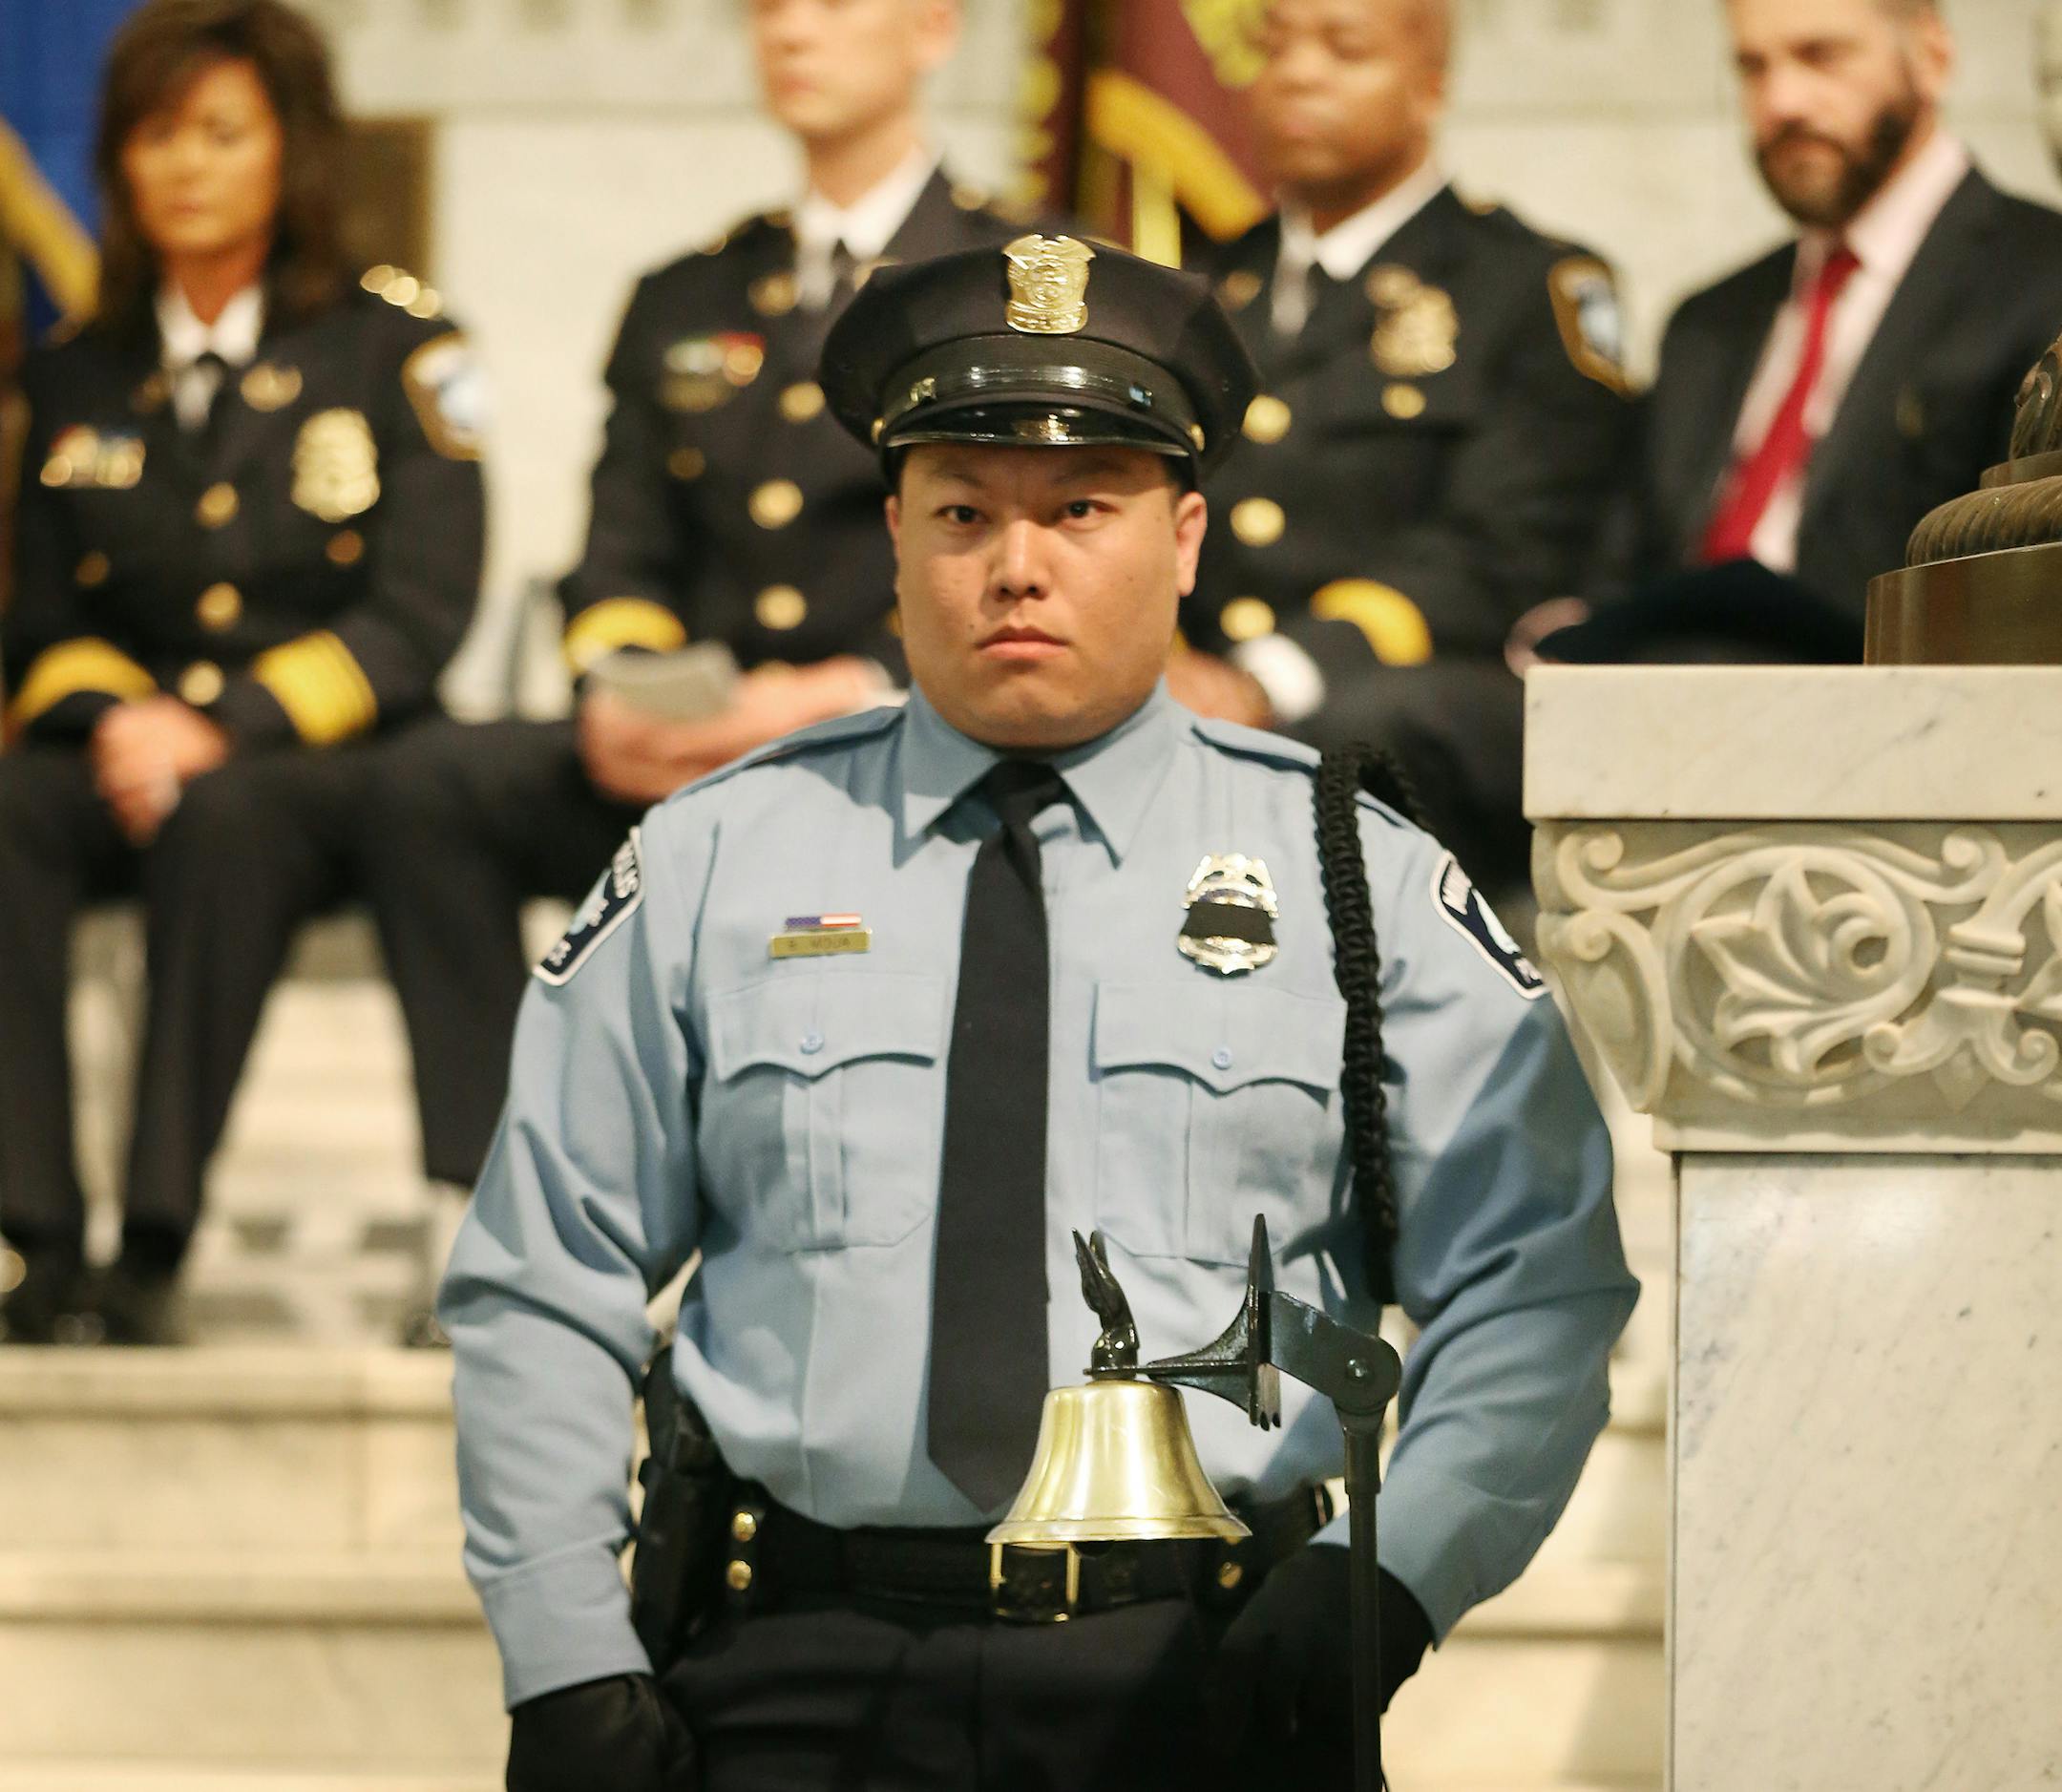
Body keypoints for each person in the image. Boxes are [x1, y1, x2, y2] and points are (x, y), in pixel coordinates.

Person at [442, 234, 1637, 1792]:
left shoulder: (1360, 874)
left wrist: (1391, 1577)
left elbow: (1534, 1286)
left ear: (1189, 535)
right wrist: (565, 1662)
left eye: (1082, 509)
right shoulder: (716, 856)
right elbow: (545, 1277)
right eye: (963, 513)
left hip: (1215, 1676)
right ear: (892, 535)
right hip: (789, 1679)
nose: (1018, 564)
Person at [357, 0, 1042, 1238]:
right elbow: (617, 546)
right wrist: (630, 683)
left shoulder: (1005, 282)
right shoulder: (688, 291)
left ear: (934, 26)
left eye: (834, 4)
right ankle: (499, 1207)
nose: (791, 30)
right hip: (697, 741)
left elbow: (1019, 540)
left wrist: (854, 690)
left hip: (908, 731)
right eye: (770, 5)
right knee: (425, 785)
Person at [0, 0, 483, 1346]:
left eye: (221, 133)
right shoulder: (77, 372)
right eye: (155, 136)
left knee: (227, 820)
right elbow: (38, 617)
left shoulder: (397, 351)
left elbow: (421, 614)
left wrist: (217, 723)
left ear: (293, 155)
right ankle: (30, 1234)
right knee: (8, 810)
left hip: (315, 765)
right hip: (126, 749)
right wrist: (119, 720)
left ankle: (154, 1236)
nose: (186, 166)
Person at [1166, 0, 1633, 894]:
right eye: (1274, 45)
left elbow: (1508, 549)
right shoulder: (1204, 287)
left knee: (1352, 735)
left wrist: (1267, 676)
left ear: (1430, 85)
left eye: (1344, 48)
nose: (1298, 73)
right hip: (1200, 687)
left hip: (1412, 717)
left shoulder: (1534, 287)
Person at [1560, 0, 2062, 663]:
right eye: (1753, 67)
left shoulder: (2040, 276)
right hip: (1655, 691)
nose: (1783, 101)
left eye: (1821, 56)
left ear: (1932, 57)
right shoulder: (1707, 321)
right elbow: (1618, 569)